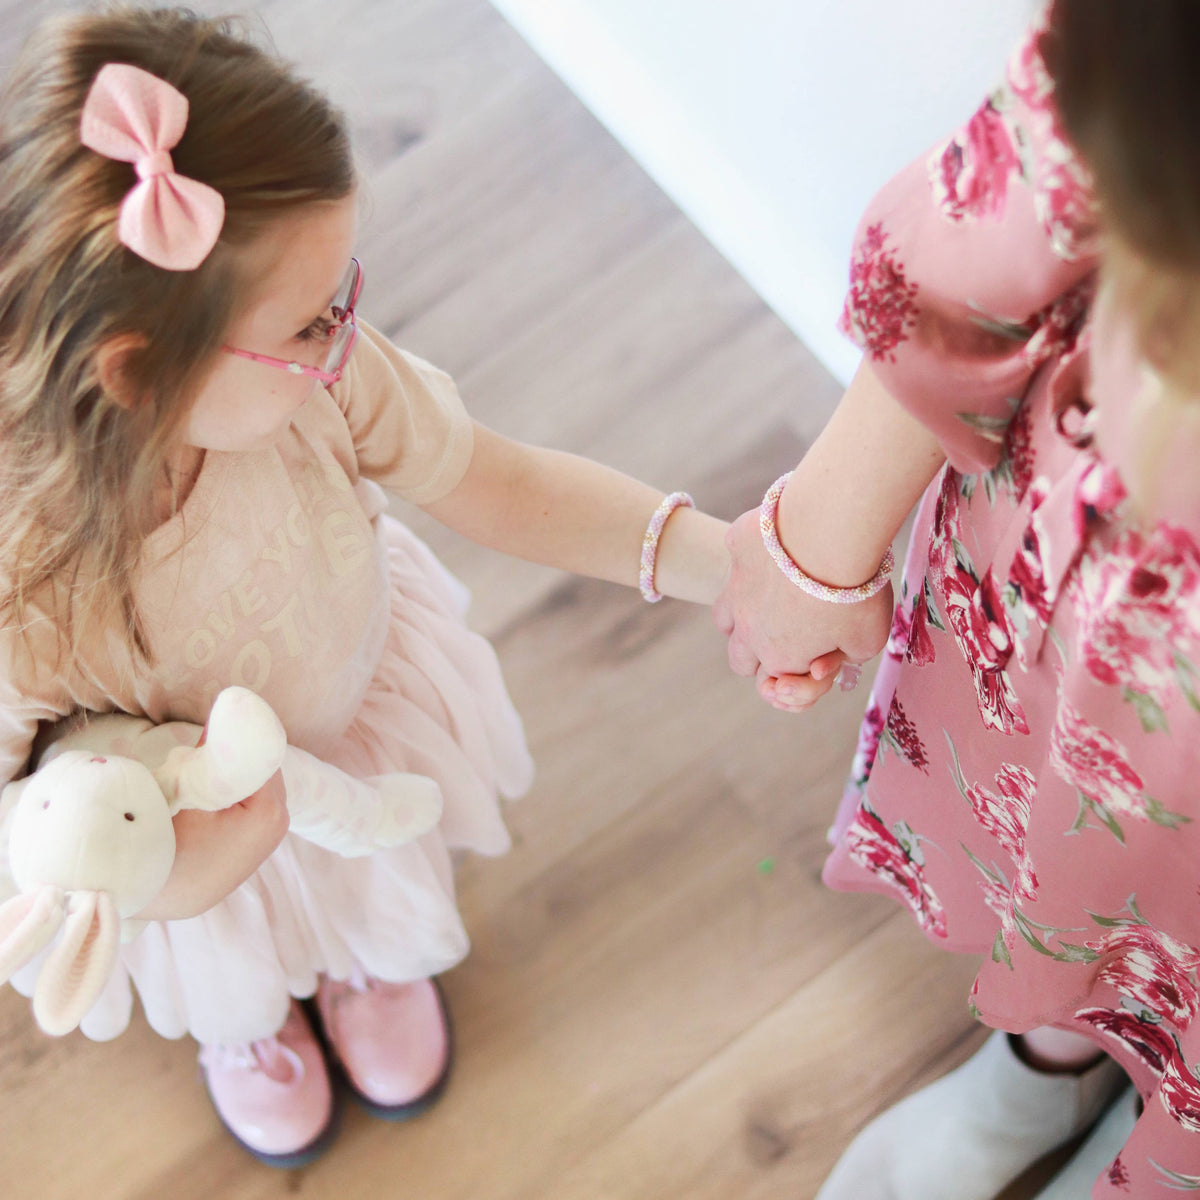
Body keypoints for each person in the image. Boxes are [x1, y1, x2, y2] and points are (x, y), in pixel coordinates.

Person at [0, 6, 729, 1168]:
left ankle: (365, 964)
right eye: (307, 320)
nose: (347, 335)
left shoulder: (325, 380)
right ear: (135, 372)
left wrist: (719, 562)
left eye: (344, 298)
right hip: (179, 841)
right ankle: (249, 1023)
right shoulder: (23, 577)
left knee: (378, 884)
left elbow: (497, 479)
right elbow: (23, 820)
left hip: (351, 734)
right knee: (232, 956)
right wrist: (183, 880)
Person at [714, 1, 1200, 1196]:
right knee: (1087, 864)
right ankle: (1051, 1058)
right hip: (1110, 601)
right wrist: (813, 549)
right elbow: (1020, 188)